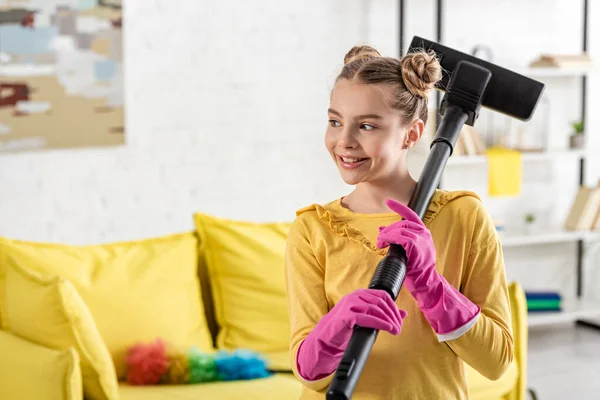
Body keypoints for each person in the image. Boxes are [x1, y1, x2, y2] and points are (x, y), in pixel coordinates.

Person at [284, 45, 514, 399]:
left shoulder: (464, 216)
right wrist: (337, 323)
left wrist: (431, 285)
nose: (344, 141)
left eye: (366, 126)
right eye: (334, 122)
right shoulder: (313, 230)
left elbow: (496, 362)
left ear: (412, 133)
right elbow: (310, 374)